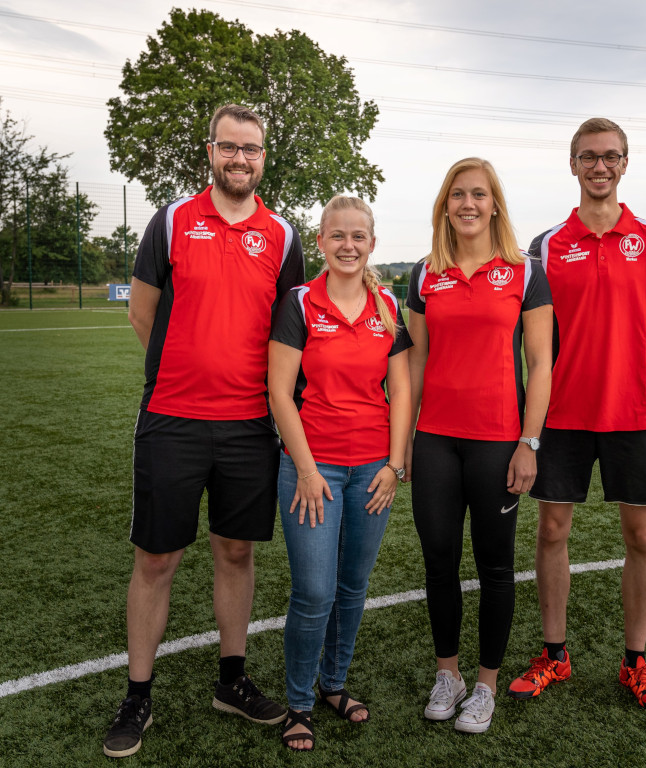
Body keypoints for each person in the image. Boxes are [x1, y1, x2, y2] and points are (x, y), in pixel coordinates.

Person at [102, 104, 305, 759]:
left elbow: (289, 334)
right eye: (229, 147)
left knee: (235, 553)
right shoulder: (171, 221)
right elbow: (142, 311)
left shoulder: (283, 234)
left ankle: (231, 679)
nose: (239, 159)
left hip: (250, 426)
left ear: (263, 158)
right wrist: (188, 371)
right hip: (172, 420)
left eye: (251, 149)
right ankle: (138, 694)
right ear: (210, 152)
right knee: (157, 559)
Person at [507, 118, 646, 713]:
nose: (599, 166)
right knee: (552, 531)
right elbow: (534, 336)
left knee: (642, 536)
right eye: (588, 157)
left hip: (634, 414)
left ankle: (635, 662)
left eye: (609, 157)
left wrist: (626, 373)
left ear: (624, 164)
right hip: (563, 416)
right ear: (573, 165)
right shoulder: (547, 245)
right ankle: (555, 654)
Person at [406, 158, 553, 733]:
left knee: (495, 565)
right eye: (458, 195)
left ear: (495, 204)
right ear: (445, 205)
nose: (468, 204)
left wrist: (529, 442)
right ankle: (449, 675)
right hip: (437, 440)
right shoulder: (424, 273)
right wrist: (408, 440)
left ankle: (486, 684)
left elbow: (540, 363)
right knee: (437, 560)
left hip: (498, 442)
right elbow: (413, 363)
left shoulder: (524, 271)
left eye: (479, 195)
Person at [268, 195, 412, 751]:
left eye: (359, 236)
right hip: (314, 470)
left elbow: (399, 390)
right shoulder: (299, 303)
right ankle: (298, 702)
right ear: (321, 241)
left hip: (373, 471)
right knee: (313, 591)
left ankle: (334, 685)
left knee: (352, 589)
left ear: (371, 243)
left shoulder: (386, 305)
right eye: (337, 236)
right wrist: (305, 469)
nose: (348, 246)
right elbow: (279, 391)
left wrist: (395, 467)